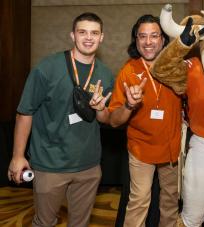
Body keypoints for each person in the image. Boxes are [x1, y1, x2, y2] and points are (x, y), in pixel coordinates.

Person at [7, 12, 114, 227]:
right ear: (72, 35)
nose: (88, 37)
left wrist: (100, 109)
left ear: (102, 37)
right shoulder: (46, 68)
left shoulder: (105, 74)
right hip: (50, 164)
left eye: (94, 33)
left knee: (80, 224)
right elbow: (24, 113)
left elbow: (104, 118)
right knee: (44, 223)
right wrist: (18, 156)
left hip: (89, 165)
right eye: (82, 32)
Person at [93, 15, 181, 227]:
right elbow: (113, 121)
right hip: (141, 148)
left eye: (154, 36)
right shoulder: (128, 71)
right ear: (136, 40)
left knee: (170, 202)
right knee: (139, 201)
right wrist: (130, 105)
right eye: (142, 36)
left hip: (172, 148)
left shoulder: (177, 67)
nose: (148, 42)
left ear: (163, 40)